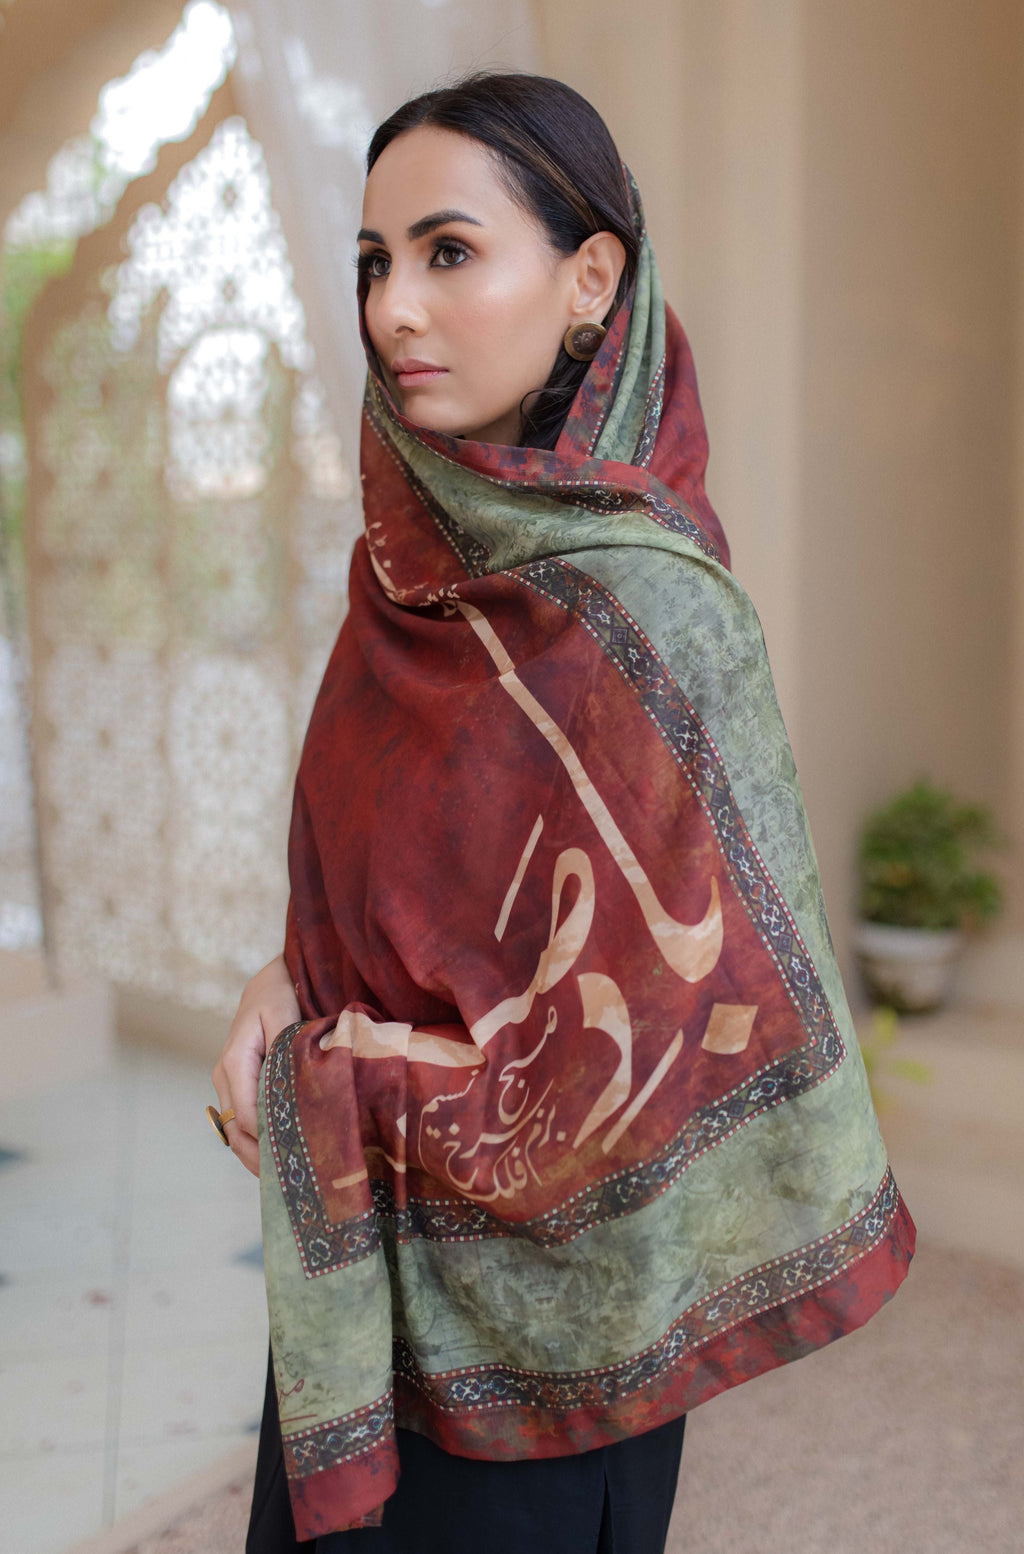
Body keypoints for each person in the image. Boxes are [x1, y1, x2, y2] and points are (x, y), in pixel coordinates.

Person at [210, 72, 915, 1554]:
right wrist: (290, 984)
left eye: (449, 252)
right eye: (374, 262)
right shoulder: (408, 576)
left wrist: (328, 1079)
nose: (395, 309)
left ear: (591, 280)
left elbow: (643, 1053)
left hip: (560, 1354)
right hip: (366, 1308)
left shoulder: (660, 618)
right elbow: (392, 893)